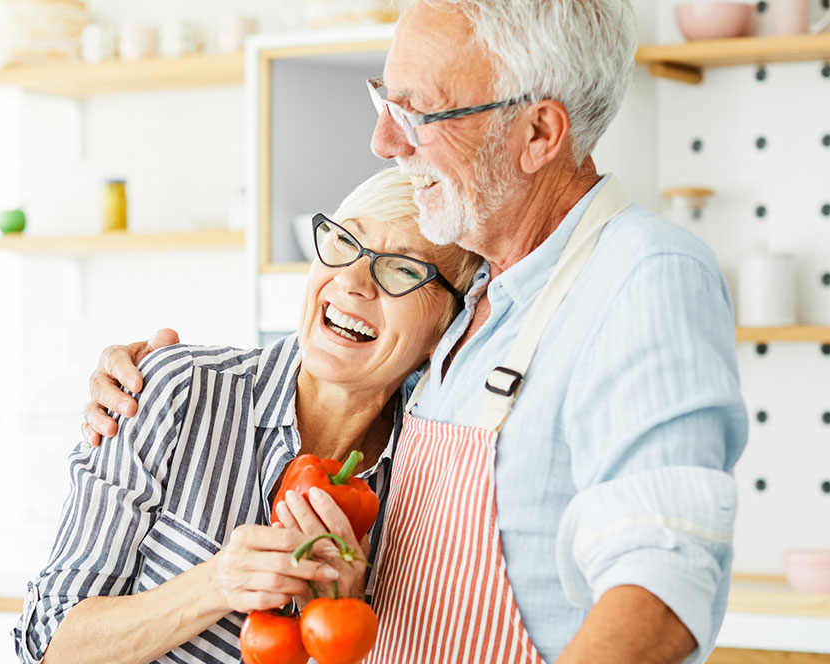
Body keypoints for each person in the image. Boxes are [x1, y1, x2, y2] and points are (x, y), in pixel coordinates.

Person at [81, 1, 749, 662]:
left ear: (539, 134)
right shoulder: (475, 301)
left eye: (420, 115)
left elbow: (662, 592)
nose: (385, 144)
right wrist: (149, 373)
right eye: (386, 103)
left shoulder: (640, 273)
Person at [14, 167, 480, 664]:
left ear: (447, 328)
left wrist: (344, 637)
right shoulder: (178, 389)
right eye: (345, 243)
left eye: (403, 270)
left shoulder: (429, 485)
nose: (351, 282)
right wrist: (214, 584)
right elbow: (48, 643)